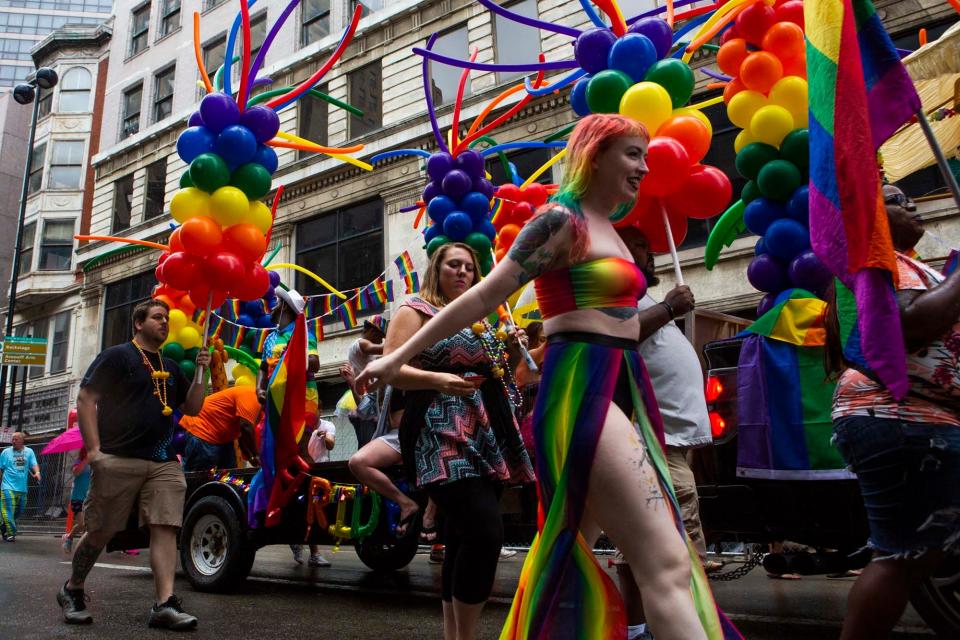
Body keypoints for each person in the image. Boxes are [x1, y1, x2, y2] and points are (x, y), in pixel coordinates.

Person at [357, 114, 733, 640]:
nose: (644, 168)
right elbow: (485, 296)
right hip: (583, 390)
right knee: (667, 564)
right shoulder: (562, 221)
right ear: (595, 154)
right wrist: (395, 360)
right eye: (631, 154)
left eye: (645, 156)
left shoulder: (610, 230)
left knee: (564, 557)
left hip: (620, 389)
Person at [364, 242, 534, 640]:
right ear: (436, 270)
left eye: (469, 268)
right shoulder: (415, 310)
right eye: (453, 265)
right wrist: (440, 380)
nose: (462, 273)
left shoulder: (481, 317)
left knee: (461, 534)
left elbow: (493, 375)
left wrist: (508, 346)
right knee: (486, 531)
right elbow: (392, 368)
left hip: (484, 431)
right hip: (437, 430)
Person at [825, 184, 960, 640]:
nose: (912, 203)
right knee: (903, 555)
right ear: (869, 217)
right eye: (896, 199)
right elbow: (909, 325)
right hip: (902, 417)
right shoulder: (878, 261)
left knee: (914, 554)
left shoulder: (907, 264)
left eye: (910, 196)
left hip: (919, 418)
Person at [56, 299, 210, 629]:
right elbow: (86, 398)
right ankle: (73, 589)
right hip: (119, 458)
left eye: (167, 318)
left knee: (165, 527)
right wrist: (95, 451)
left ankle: (164, 604)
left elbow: (194, 407)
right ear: (138, 323)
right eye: (157, 317)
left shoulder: (170, 365)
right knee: (102, 530)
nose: (165, 322)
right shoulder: (117, 356)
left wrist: (201, 372)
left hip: (164, 461)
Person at [258, 288, 320, 567]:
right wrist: (260, 388)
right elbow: (262, 368)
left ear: (286, 308)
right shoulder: (269, 337)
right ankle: (289, 530)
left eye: (277, 303)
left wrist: (298, 354)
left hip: (301, 405)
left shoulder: (305, 333)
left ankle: (313, 543)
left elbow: (315, 364)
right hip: (274, 406)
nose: (272, 306)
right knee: (278, 462)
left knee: (304, 466)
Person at [179, 386, 262, 472]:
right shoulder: (253, 397)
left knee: (229, 475)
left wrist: (251, 458)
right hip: (202, 429)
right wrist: (256, 455)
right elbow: (245, 427)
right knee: (200, 477)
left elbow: (241, 435)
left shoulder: (261, 410)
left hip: (222, 437)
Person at [344, 317, 387, 448]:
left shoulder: (360, 348)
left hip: (367, 394)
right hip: (366, 395)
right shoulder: (362, 343)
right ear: (373, 331)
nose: (381, 341)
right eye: (381, 337)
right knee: (369, 441)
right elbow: (382, 349)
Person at [302, 407, 336, 567]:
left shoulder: (327, 426)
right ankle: (314, 552)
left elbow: (331, 445)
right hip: (304, 472)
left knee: (321, 509)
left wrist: (324, 438)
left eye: (312, 408)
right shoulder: (300, 425)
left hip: (322, 474)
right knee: (310, 510)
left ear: (320, 411)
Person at [0, 431, 40, 542]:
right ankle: (11, 533)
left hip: (22, 488)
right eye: (12, 439)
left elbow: (34, 464)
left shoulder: (29, 452)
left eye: (16, 439)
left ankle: (4, 526)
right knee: (8, 509)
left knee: (19, 511)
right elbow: (1, 468)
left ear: (22, 440)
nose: (13, 441)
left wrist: (37, 473)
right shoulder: (5, 452)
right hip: (7, 487)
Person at [62, 448, 90, 553]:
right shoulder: (79, 462)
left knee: (88, 525)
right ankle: (69, 538)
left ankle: (83, 548)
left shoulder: (96, 464)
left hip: (90, 498)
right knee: (82, 524)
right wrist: (86, 460)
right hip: (78, 498)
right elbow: (76, 472)